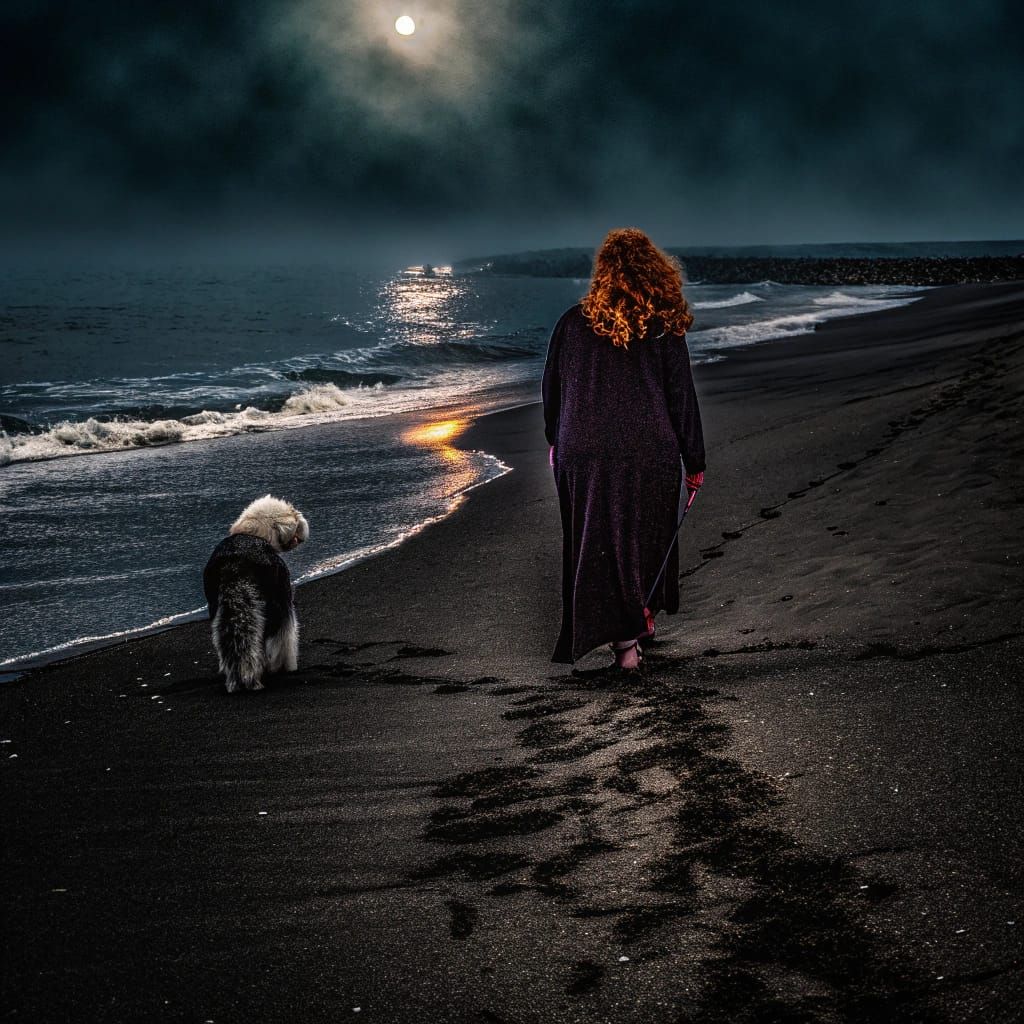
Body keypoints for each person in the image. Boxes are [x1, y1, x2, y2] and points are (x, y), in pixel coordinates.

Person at [542, 228, 706, 669]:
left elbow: (552, 389)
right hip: (647, 448)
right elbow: (681, 397)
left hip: (582, 450)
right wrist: (696, 461)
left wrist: (555, 440)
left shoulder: (571, 323)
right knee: (643, 538)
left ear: (603, 273)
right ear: (655, 271)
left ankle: (632, 630)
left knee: (595, 543)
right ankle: (631, 639)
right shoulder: (663, 327)